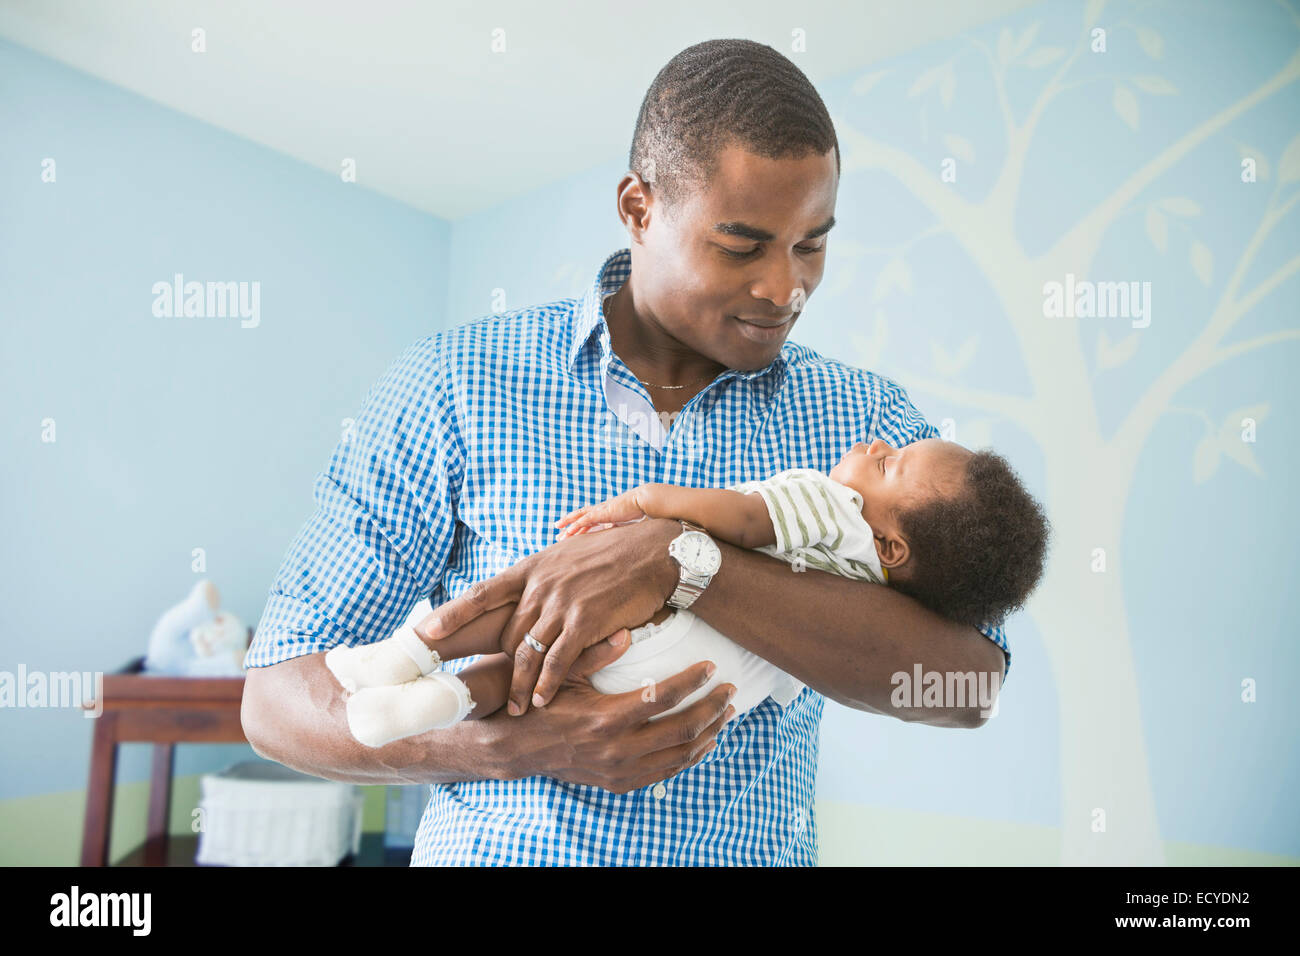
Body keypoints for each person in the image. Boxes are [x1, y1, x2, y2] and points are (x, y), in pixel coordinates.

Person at [241, 38, 1014, 866]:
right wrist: (517, 746)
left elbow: (968, 686)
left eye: (812, 244)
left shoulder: (870, 429)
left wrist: (684, 562)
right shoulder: (453, 385)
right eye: (744, 245)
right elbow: (277, 703)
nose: (785, 287)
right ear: (640, 208)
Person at [324, 439, 1048, 751]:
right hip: (689, 691)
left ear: (893, 546)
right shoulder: (879, 581)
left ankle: (405, 655)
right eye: (742, 243)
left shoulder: (834, 507)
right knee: (544, 668)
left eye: (889, 462)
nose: (876, 445)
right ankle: (439, 704)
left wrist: (657, 523)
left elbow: (742, 517)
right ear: (640, 208)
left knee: (526, 620)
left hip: (661, 632)